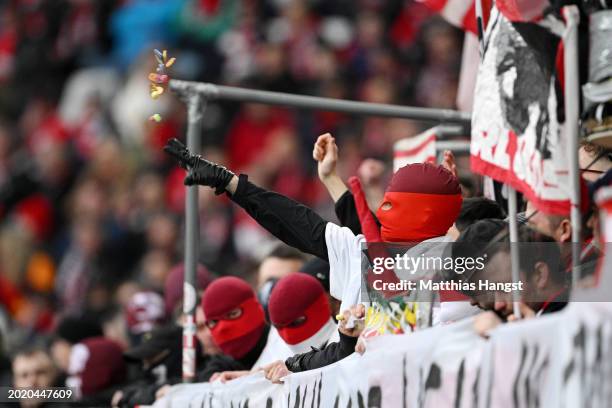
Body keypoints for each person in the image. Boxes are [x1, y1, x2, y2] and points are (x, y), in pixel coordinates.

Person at [163, 135, 463, 338]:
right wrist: (229, 182)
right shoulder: (361, 252)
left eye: (392, 203)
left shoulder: (460, 261)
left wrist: (460, 215)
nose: (381, 208)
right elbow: (295, 222)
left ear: (425, 215)